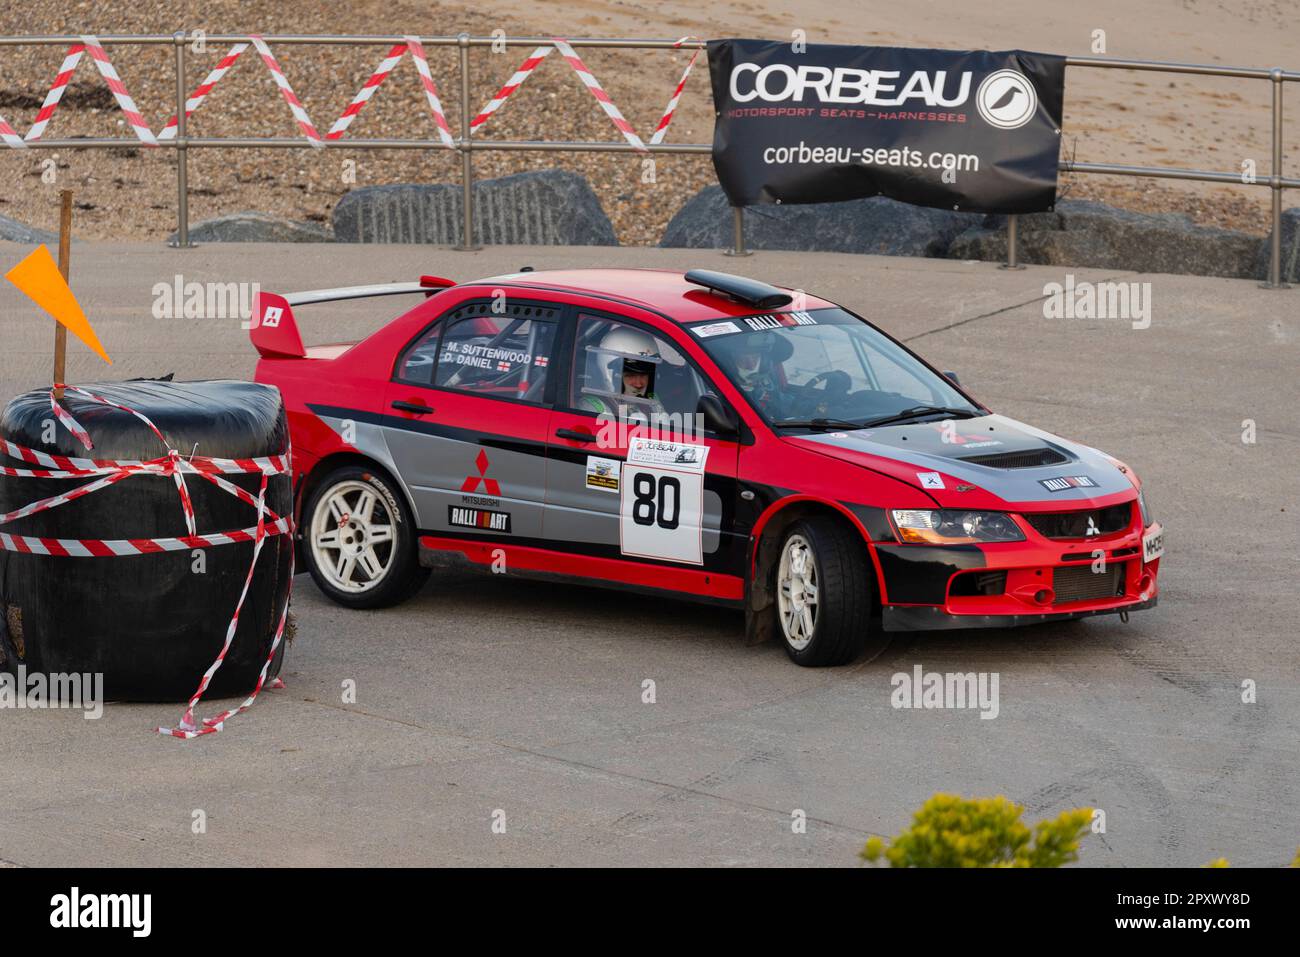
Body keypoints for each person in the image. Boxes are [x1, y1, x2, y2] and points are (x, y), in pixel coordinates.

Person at [579, 327, 666, 422]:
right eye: (633, 373)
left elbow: (667, 427)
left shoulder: (651, 398)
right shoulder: (593, 407)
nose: (640, 383)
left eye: (646, 371)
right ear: (613, 372)